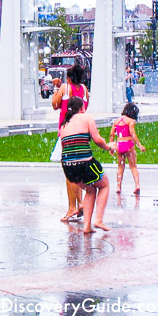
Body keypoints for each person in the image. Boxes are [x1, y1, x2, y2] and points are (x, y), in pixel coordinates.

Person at [58, 97, 113, 233]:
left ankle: (87, 227)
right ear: (82, 107)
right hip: (85, 163)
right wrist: (109, 147)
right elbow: (97, 140)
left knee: (90, 189)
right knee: (104, 185)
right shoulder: (86, 118)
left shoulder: (64, 125)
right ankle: (98, 220)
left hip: (68, 167)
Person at [52, 64, 90, 222]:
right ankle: (80, 203)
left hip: (67, 132)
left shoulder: (65, 88)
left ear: (68, 77)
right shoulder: (85, 90)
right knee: (78, 170)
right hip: (81, 132)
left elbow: (55, 105)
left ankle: (72, 208)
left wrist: (56, 88)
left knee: (69, 171)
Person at [109, 102, 146, 195]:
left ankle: (118, 187)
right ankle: (137, 185)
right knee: (133, 166)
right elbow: (132, 134)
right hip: (129, 144)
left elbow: (111, 134)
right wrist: (139, 145)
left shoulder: (116, 121)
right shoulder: (130, 121)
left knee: (120, 167)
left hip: (119, 144)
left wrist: (112, 147)